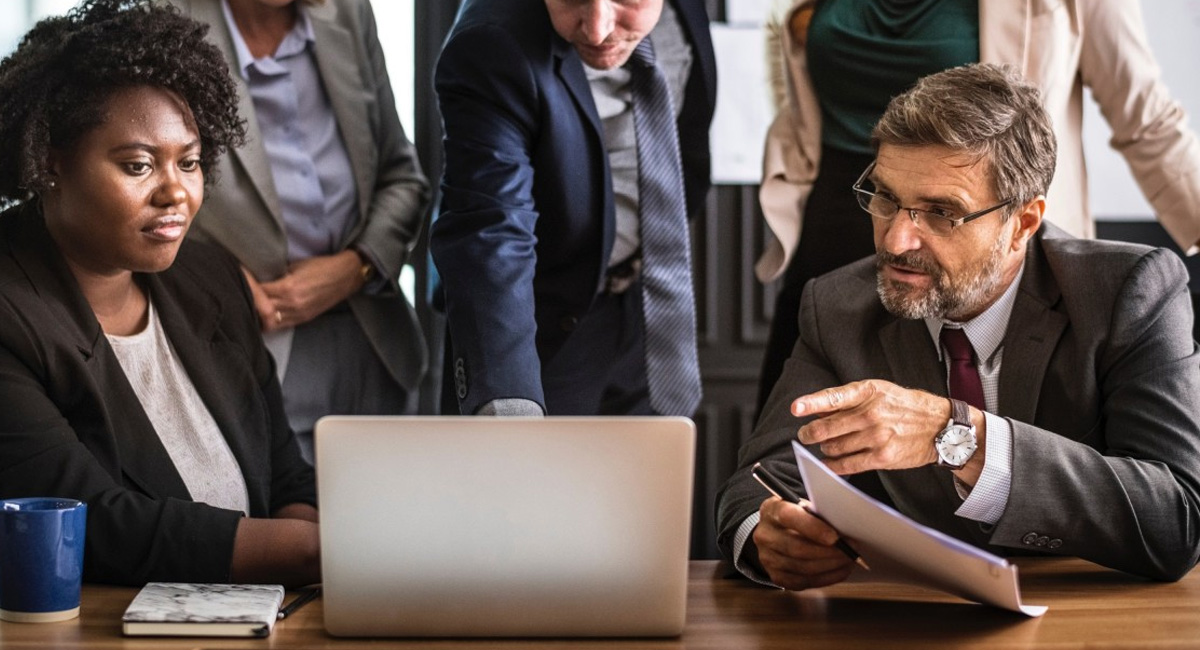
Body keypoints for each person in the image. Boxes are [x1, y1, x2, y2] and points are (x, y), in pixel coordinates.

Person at [716, 63, 1200, 587]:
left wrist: (961, 437)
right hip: (908, 617)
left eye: (942, 213)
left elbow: (1177, 519)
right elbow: (759, 480)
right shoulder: (835, 304)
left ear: (1023, 224)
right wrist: (768, 537)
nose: (896, 241)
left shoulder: (1127, 291)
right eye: (885, 199)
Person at [0, 0, 318, 587]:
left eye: (190, 162)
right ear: (50, 162)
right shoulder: (12, 314)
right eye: (139, 166)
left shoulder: (211, 278)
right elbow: (97, 524)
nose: (176, 193)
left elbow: (287, 479)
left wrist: (305, 573)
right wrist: (312, 552)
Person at [754, 0, 1200, 415]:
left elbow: (1148, 120)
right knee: (799, 445)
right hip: (839, 221)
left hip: (979, 236)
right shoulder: (828, 299)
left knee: (982, 448)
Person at [164, 0, 430, 462]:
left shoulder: (348, 12)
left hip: (376, 340)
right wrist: (222, 281)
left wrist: (358, 266)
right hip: (246, 341)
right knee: (291, 527)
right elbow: (139, 196)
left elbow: (403, 177)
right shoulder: (167, 21)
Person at [431, 0, 716, 417]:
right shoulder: (490, 42)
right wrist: (508, 404)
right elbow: (491, 230)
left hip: (651, 307)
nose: (598, 29)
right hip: (539, 327)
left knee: (650, 479)